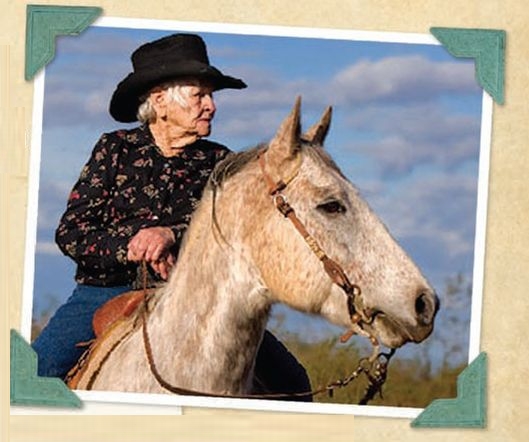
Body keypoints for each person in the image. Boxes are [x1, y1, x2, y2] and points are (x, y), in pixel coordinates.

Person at [32, 33, 312, 401]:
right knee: (30, 376)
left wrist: (172, 234)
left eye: (211, 96)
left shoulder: (221, 163)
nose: (211, 106)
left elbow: (230, 235)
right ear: (160, 101)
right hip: (101, 293)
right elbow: (71, 232)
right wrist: (132, 246)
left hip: (197, 298)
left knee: (295, 384)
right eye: (199, 95)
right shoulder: (114, 149)